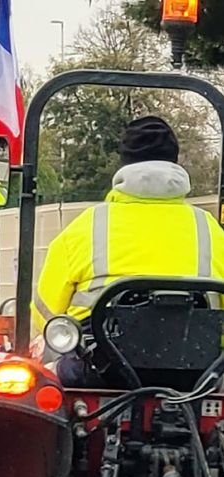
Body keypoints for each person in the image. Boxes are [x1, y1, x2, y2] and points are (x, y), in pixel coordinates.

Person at [32, 116, 224, 384]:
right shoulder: (210, 228)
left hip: (100, 370)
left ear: (124, 164)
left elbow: (45, 310)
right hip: (195, 375)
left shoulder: (87, 226)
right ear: (175, 163)